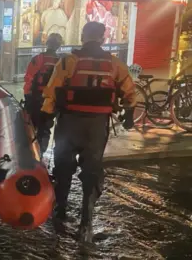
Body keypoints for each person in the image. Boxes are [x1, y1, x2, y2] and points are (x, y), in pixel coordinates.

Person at [41, 22, 136, 242]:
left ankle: (60, 212)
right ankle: (86, 222)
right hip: (96, 126)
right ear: (103, 38)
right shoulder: (114, 64)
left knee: (63, 167)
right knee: (91, 171)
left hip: (69, 124)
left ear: (83, 36)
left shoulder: (68, 61)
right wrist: (129, 113)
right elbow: (129, 92)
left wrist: (46, 115)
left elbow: (52, 90)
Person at [23, 33, 62, 157]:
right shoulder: (61, 62)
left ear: (47, 43)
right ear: (59, 46)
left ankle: (30, 153)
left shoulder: (38, 59)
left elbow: (28, 78)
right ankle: (40, 153)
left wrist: (27, 96)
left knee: (31, 127)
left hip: (35, 99)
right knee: (45, 128)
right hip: (50, 101)